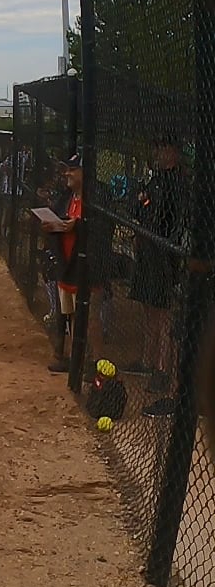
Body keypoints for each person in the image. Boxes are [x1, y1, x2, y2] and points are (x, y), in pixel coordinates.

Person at [129, 137, 186, 413]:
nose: (158, 153)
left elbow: (170, 218)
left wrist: (146, 204)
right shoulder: (155, 179)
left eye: (163, 148)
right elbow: (137, 207)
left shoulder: (177, 182)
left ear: (174, 152)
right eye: (157, 148)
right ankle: (147, 360)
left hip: (163, 254)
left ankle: (162, 370)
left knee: (163, 312)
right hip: (148, 251)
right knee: (148, 305)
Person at [35, 155, 87, 374]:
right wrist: (51, 225)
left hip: (83, 268)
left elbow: (98, 229)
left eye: (72, 170)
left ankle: (88, 363)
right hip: (66, 265)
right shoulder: (68, 197)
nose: (67, 173)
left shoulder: (93, 199)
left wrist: (77, 225)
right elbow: (57, 218)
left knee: (85, 317)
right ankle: (74, 359)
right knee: (70, 314)